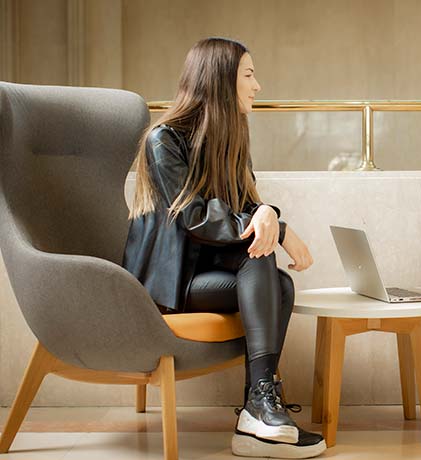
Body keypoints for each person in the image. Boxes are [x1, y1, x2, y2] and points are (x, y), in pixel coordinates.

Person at [122, 37, 325, 459]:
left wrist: (267, 212)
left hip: (208, 272)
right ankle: (259, 405)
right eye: (249, 75)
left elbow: (247, 210)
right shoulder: (164, 139)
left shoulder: (230, 139)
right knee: (271, 266)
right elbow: (196, 217)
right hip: (171, 283)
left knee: (280, 284)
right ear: (219, 80)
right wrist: (279, 227)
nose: (258, 86)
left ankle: (257, 413)